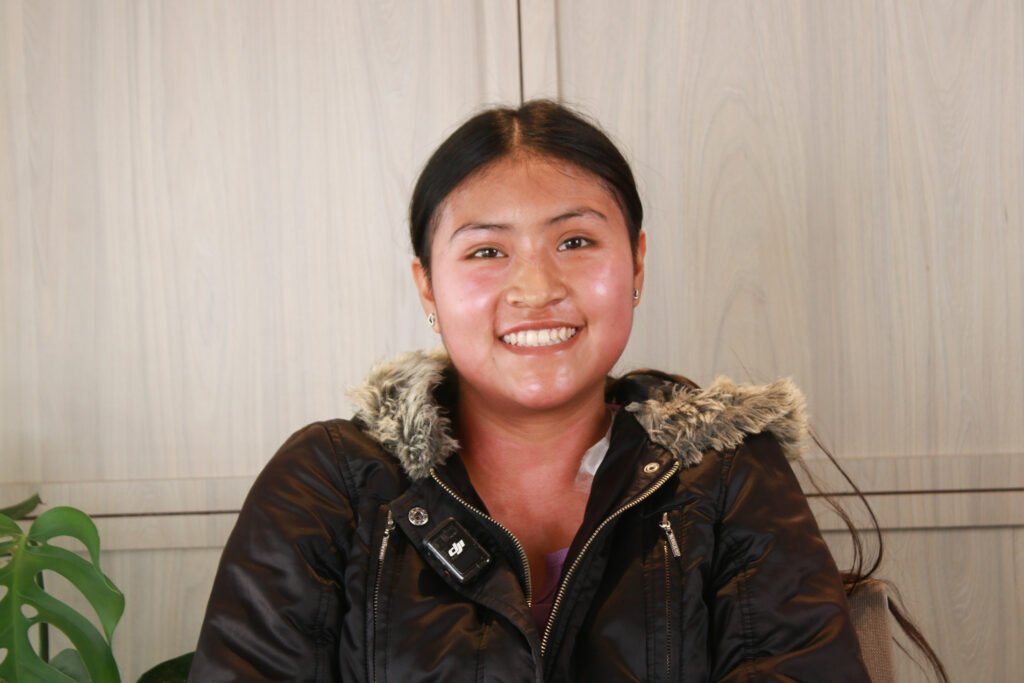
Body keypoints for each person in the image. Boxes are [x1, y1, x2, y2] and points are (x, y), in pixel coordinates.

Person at [190, 100, 873, 681]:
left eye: (575, 241)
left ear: (637, 264)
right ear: (427, 286)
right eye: (487, 251)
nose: (537, 288)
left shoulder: (728, 475)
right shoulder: (329, 484)